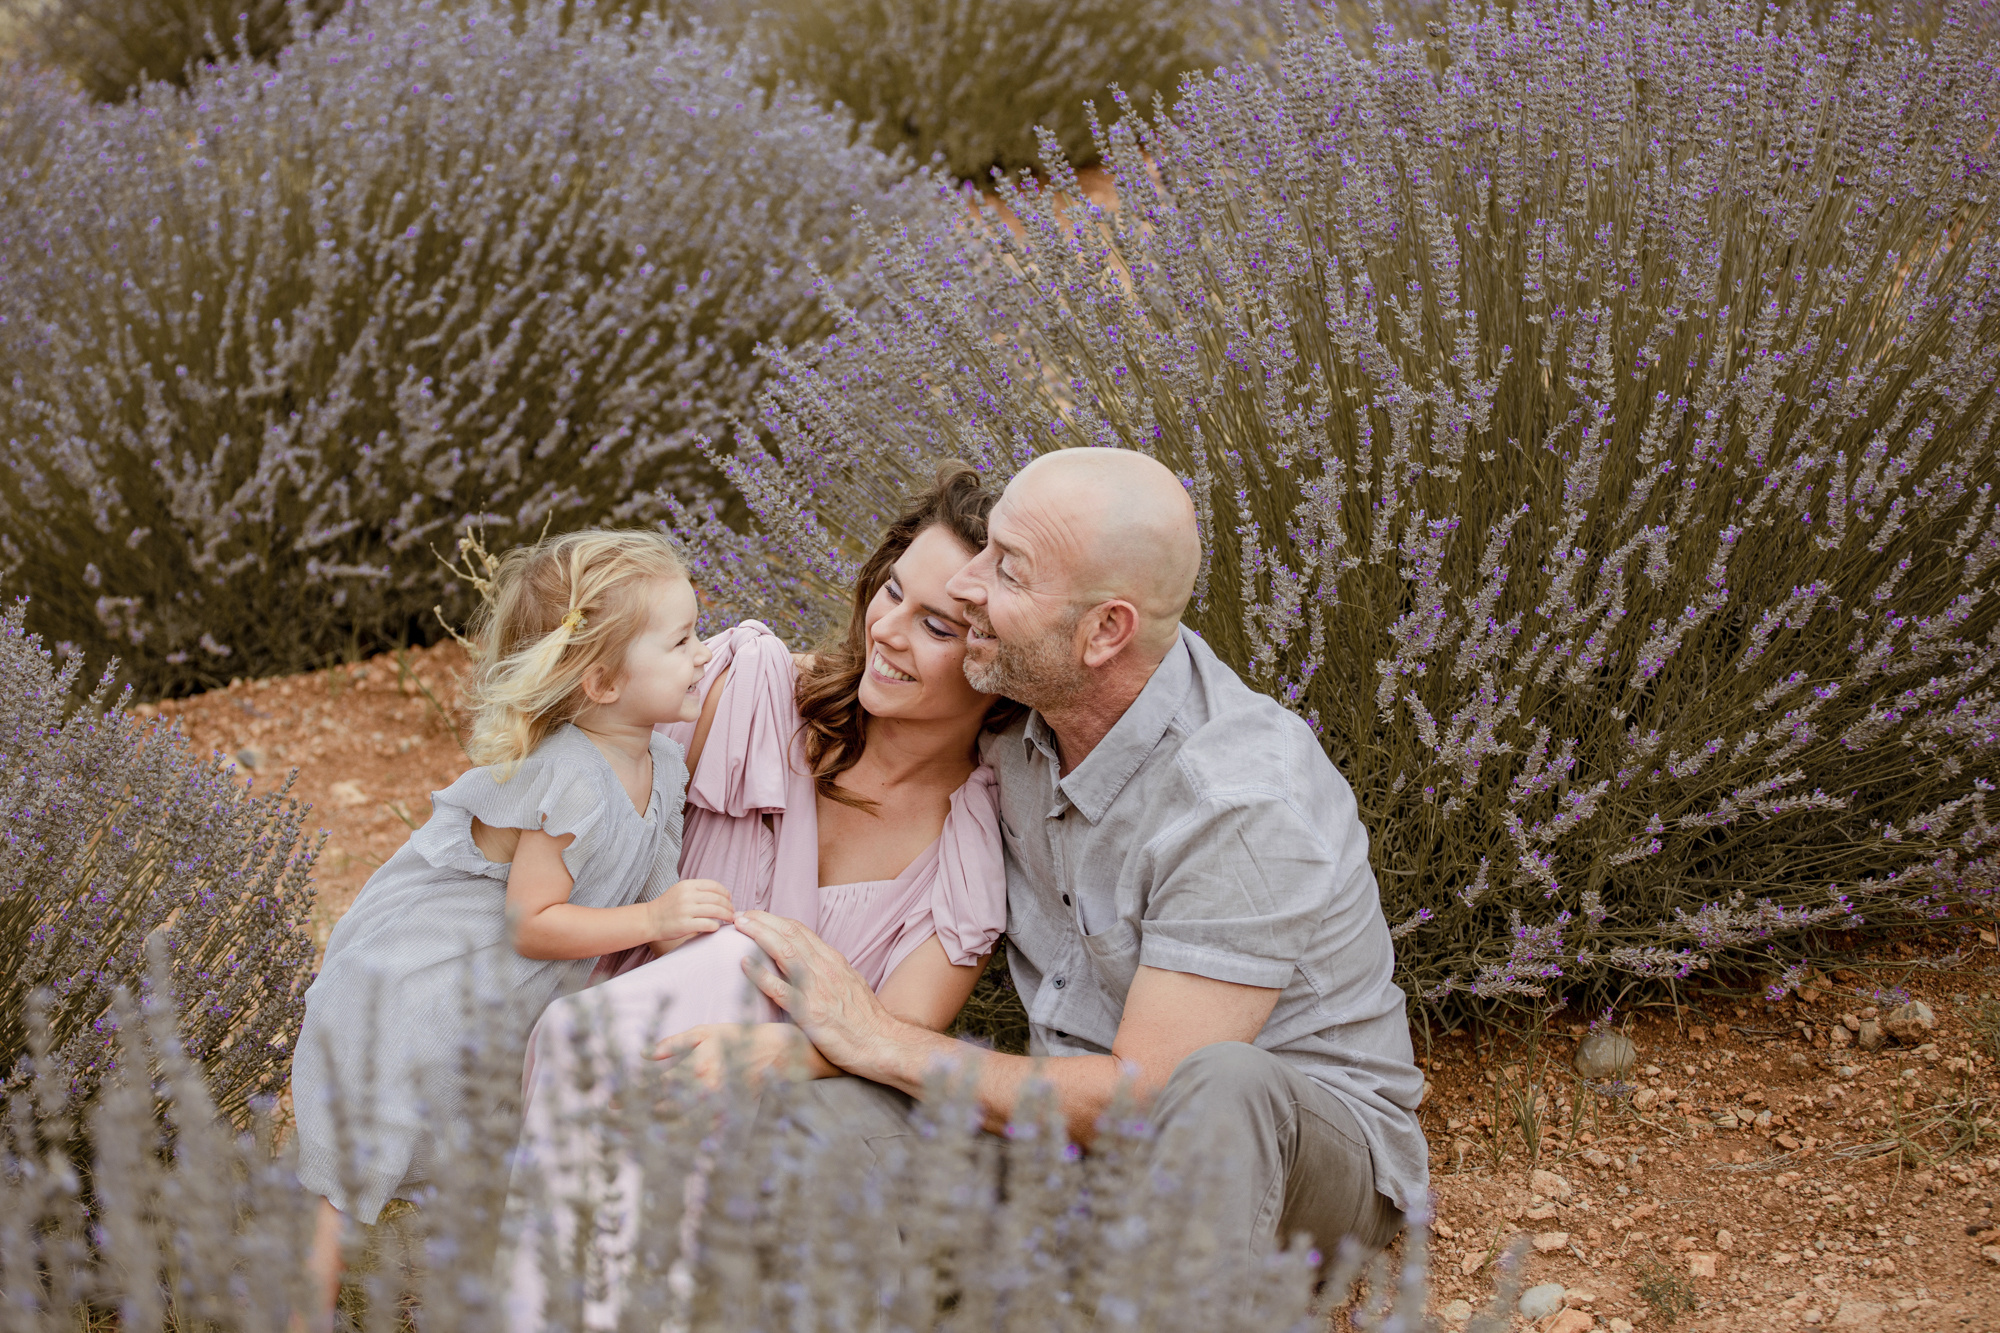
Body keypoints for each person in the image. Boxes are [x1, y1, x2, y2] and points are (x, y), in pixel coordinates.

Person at [730, 447, 1429, 1269]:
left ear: (1106, 631)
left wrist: (879, 1036)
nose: (969, 586)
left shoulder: (1238, 800)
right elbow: (882, 696)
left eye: (1009, 572)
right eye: (988, 550)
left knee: (1219, 1089)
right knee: (823, 1126)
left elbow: (1145, 1100)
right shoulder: (1026, 708)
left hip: (1287, 1159)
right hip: (1070, 1135)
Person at [502, 464, 1022, 1328]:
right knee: (668, 998)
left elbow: (897, 1034)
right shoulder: (744, 692)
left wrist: (780, 1057)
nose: (887, 629)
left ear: (996, 659)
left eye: (936, 624)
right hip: (587, 1064)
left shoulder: (964, 851)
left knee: (743, 963)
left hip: (747, 1124)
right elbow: (555, 761)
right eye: (890, 590)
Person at [291, 528, 730, 1309]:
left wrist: (701, 938)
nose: (704, 653)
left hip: (496, 1002)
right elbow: (536, 921)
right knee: (348, 1179)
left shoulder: (662, 765)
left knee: (473, 1165)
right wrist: (656, 914)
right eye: (684, 639)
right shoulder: (570, 774)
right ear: (600, 682)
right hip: (413, 986)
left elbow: (652, 899)